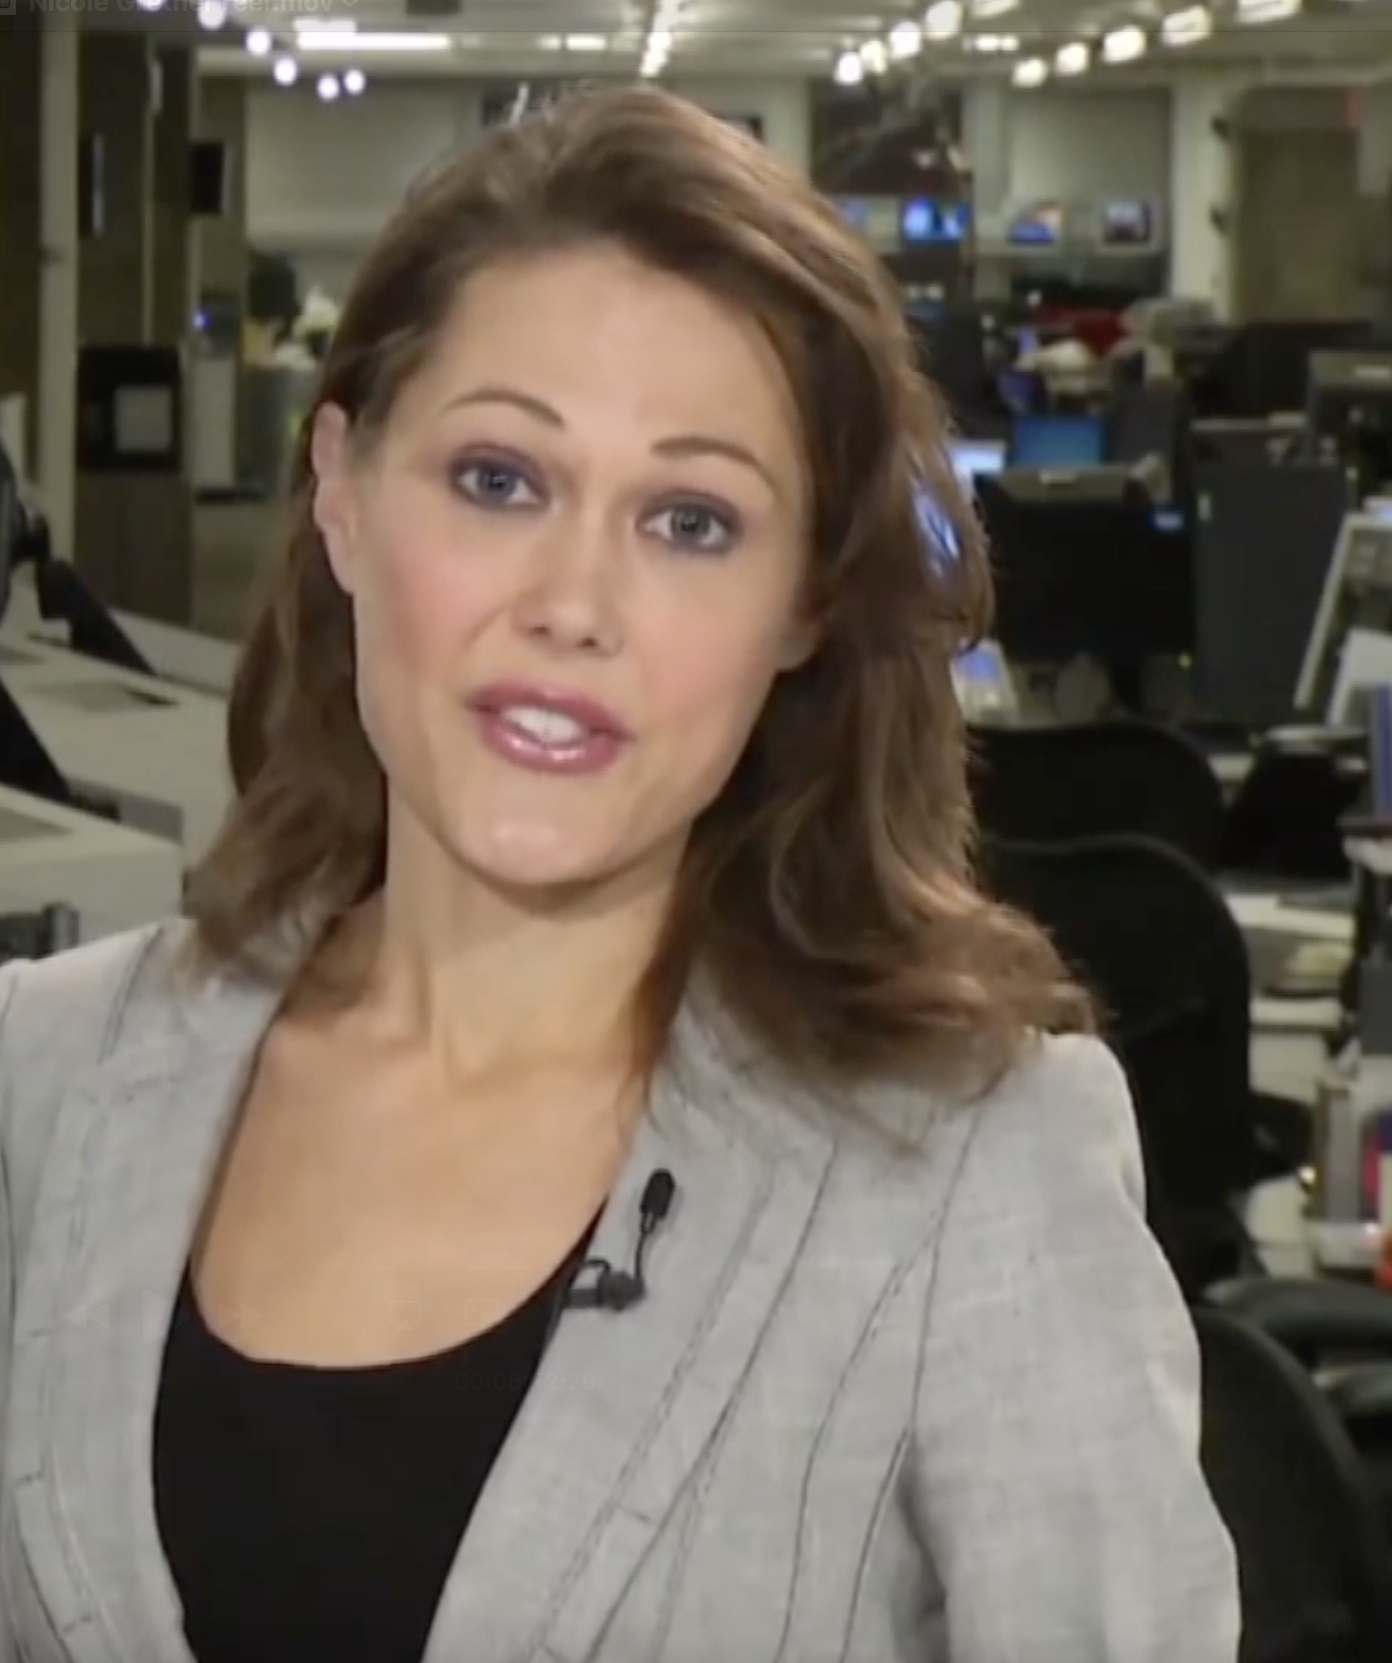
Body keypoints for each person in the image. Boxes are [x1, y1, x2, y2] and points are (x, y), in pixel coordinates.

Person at [0, 87, 1238, 1663]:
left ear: (804, 606)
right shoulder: (45, 1079)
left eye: (691, 520)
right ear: (341, 492)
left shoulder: (974, 1165)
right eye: (499, 479)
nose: (574, 602)